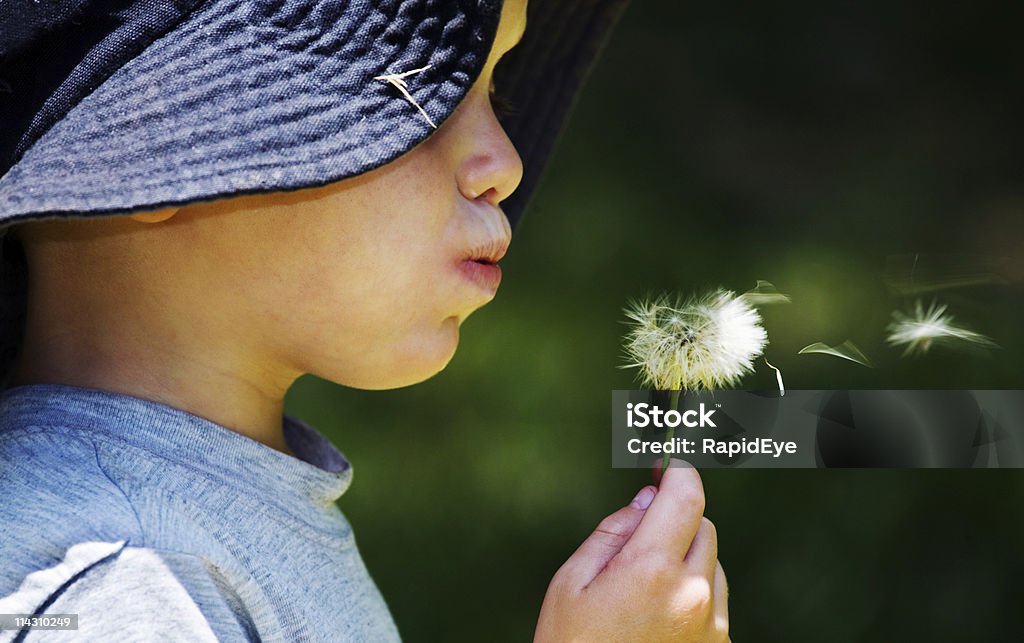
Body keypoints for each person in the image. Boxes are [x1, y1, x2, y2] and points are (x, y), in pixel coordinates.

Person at [0, 0, 729, 640]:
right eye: (421, 90)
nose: (503, 163)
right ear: (154, 144)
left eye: (496, 94)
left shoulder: (190, 524)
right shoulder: (121, 579)